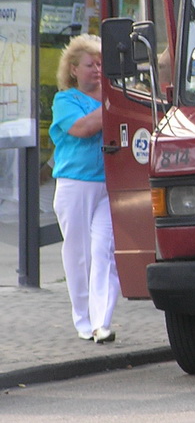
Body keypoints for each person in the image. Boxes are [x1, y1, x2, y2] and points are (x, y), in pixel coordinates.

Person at [49, 34, 120, 343]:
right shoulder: (65, 100)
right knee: (79, 255)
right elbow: (83, 128)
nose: (97, 69)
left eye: (101, 64)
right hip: (75, 185)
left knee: (105, 251)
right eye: (91, 64)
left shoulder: (113, 96)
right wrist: (113, 103)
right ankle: (82, 320)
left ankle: (101, 322)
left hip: (109, 184)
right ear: (74, 69)